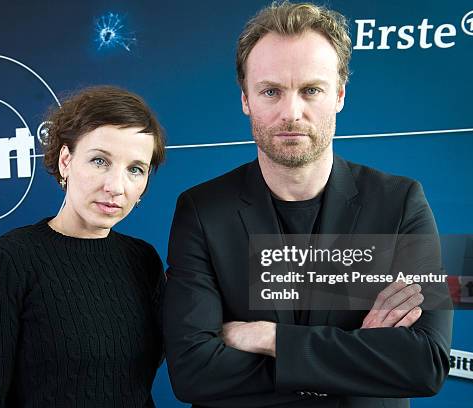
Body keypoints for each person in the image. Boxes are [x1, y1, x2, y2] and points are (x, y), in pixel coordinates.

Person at [163, 2, 453, 407]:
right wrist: (353, 357)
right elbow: (193, 372)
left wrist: (268, 337)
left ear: (339, 95)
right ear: (246, 98)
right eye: (271, 91)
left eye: (311, 90)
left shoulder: (401, 203)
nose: (291, 112)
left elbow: (425, 362)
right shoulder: (202, 210)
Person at [0, 86, 166, 407]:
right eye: (100, 161)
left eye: (135, 169)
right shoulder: (11, 259)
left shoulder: (144, 260)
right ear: (66, 160)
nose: (116, 187)